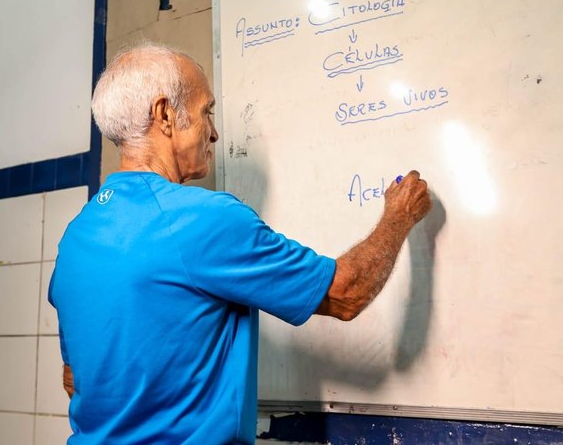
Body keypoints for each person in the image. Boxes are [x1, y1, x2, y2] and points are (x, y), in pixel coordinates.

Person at [48, 42, 432, 444]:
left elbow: (75, 378)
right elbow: (345, 293)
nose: (213, 133)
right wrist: (398, 217)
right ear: (164, 115)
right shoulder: (202, 218)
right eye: (206, 113)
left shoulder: (76, 236)